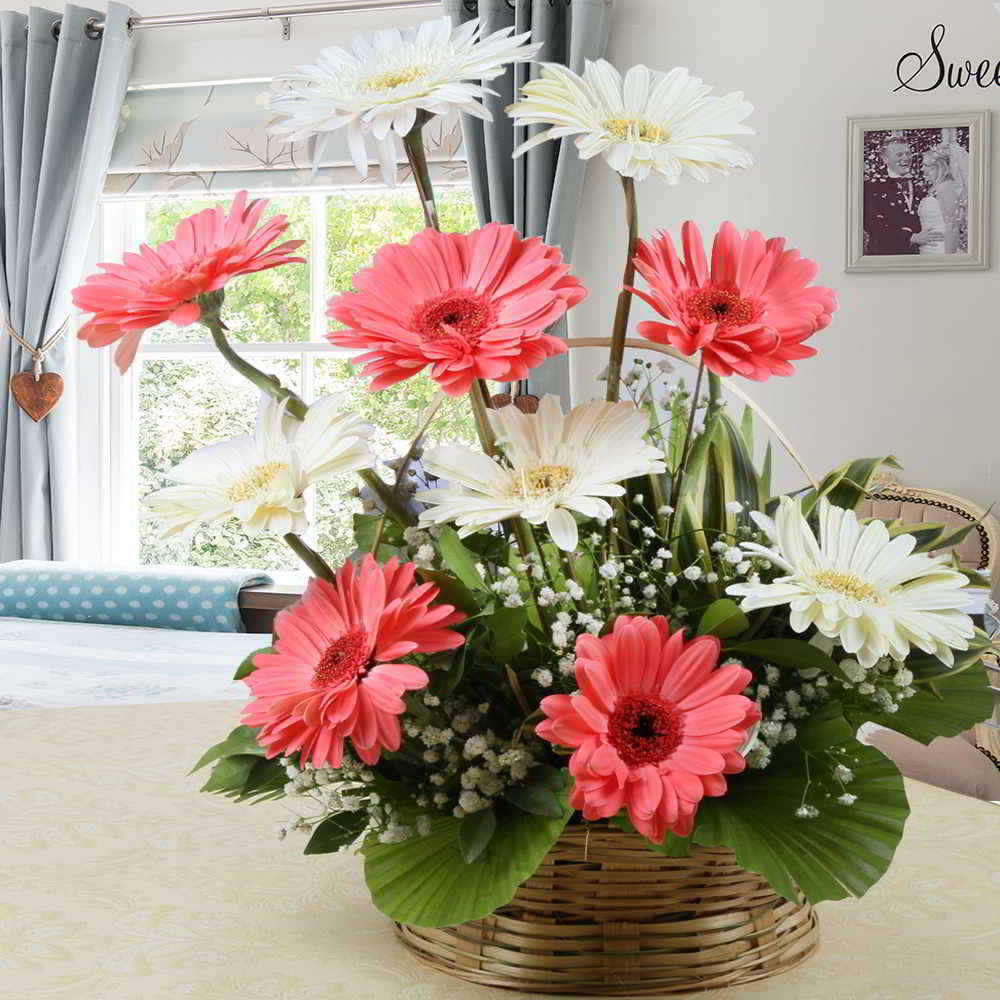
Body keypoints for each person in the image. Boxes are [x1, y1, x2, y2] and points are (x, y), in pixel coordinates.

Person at [863, 136, 920, 254]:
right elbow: (872, 225)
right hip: (884, 254)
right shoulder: (871, 186)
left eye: (908, 153)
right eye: (899, 155)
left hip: (917, 255)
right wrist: (909, 237)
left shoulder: (921, 184)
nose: (906, 158)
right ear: (885, 159)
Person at [911, 141, 969, 255]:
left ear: (940, 166)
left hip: (941, 249)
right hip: (928, 248)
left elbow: (952, 226)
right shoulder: (935, 188)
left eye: (926, 165)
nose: (922, 169)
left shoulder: (947, 187)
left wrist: (948, 258)